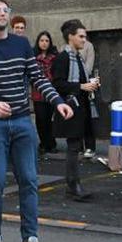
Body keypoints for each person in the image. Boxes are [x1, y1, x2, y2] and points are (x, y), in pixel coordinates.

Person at [0, 0, 72, 242]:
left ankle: (31, 241)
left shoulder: (21, 44)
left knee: (29, 180)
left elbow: (37, 78)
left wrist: (58, 102)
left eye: (5, 10)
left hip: (23, 122)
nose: (2, 14)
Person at [49, 19, 100, 202]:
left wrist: (90, 86)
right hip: (71, 108)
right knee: (73, 148)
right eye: (81, 36)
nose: (84, 40)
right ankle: (73, 186)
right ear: (70, 37)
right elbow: (58, 84)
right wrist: (82, 86)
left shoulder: (77, 57)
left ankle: (74, 185)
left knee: (76, 147)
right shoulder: (64, 57)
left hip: (80, 107)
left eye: (85, 36)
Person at [33, 31, 58, 155]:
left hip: (52, 92)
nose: (44, 43)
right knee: (40, 119)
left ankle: (51, 143)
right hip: (38, 93)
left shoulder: (54, 57)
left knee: (49, 119)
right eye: (42, 40)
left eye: (46, 41)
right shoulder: (33, 57)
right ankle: (43, 143)